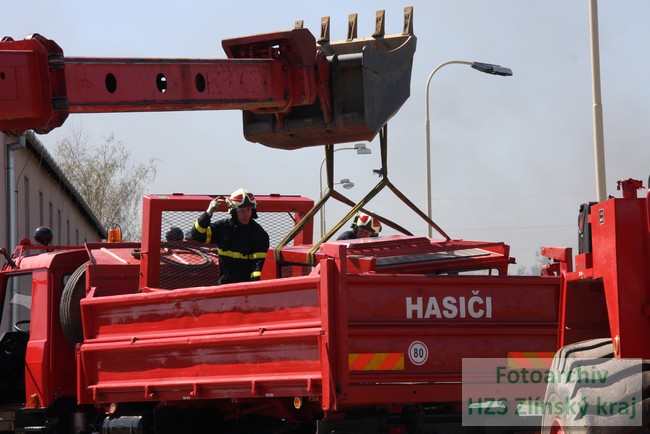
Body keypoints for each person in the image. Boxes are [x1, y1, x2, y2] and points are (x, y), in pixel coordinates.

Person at [191, 188, 269, 284]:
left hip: (247, 287)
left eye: (248, 209)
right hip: (225, 287)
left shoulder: (259, 234)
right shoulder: (222, 228)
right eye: (242, 210)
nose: (246, 214)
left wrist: (252, 288)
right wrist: (208, 213)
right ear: (234, 211)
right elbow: (197, 234)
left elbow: (258, 266)